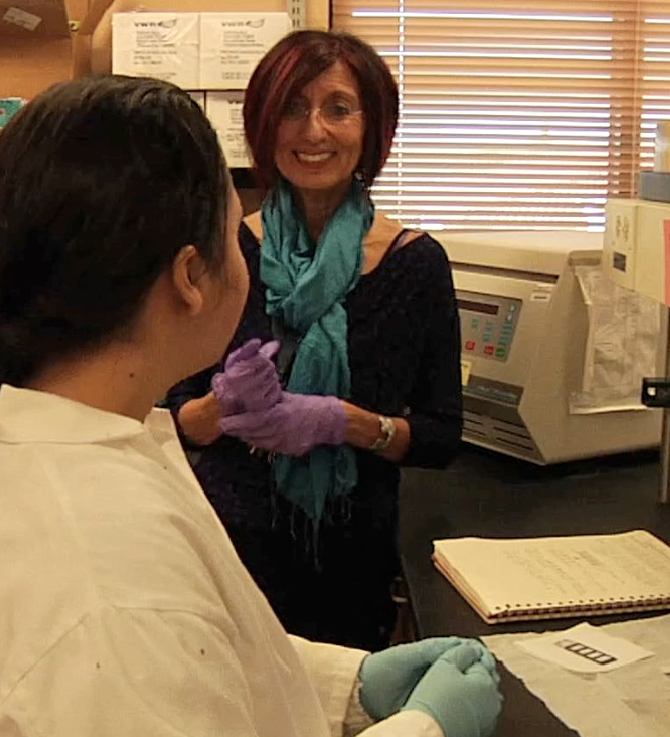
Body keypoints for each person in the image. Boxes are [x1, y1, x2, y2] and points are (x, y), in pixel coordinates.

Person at [0, 75, 501, 737]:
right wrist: (426, 730)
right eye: (236, 233)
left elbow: (188, 655)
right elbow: (143, 641)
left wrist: (348, 687)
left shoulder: (45, 448)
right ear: (188, 278)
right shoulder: (110, 592)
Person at [166, 30, 464, 652]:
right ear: (265, 125)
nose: (314, 130)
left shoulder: (417, 265)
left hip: (350, 563)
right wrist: (221, 408)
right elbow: (171, 422)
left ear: (373, 126)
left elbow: (440, 435)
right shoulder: (223, 253)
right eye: (294, 108)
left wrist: (344, 423)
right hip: (225, 554)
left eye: (338, 108)